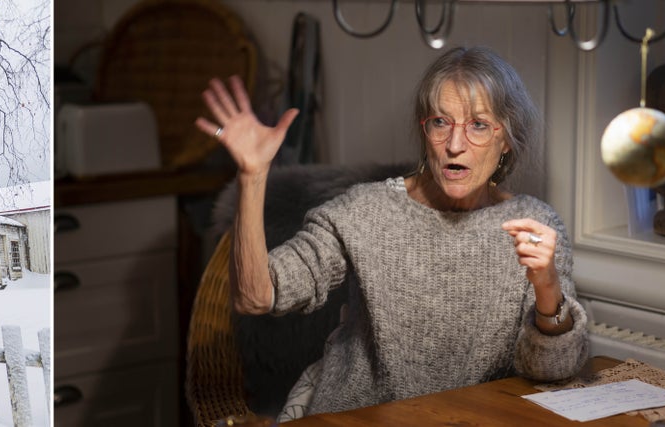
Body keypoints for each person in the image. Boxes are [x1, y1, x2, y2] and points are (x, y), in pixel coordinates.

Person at [195, 46, 589, 420]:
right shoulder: (365, 210)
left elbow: (554, 370)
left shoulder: (537, 225)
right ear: (424, 130)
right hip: (358, 420)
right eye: (440, 122)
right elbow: (254, 297)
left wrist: (547, 286)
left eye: (478, 126)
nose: (454, 144)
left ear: (505, 139)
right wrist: (252, 175)